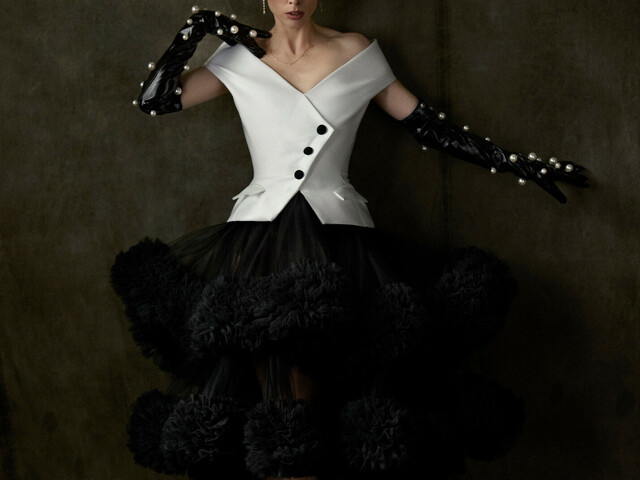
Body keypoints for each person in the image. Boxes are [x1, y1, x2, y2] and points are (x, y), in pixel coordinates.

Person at [111, 2, 589, 480]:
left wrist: (520, 165)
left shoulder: (354, 51)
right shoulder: (236, 57)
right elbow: (156, 100)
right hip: (259, 240)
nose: (294, 1)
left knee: (339, 396)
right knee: (277, 405)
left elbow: (428, 127)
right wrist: (195, 30)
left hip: (340, 240)